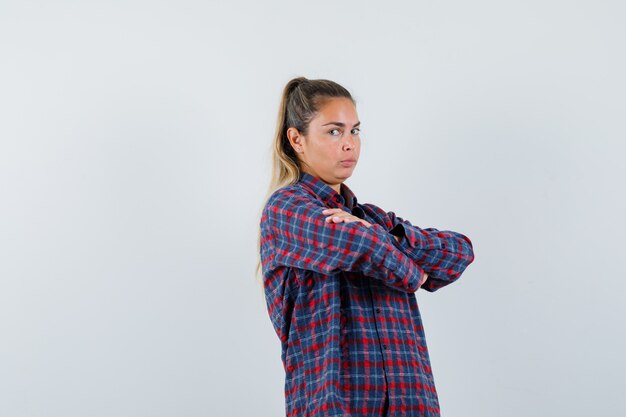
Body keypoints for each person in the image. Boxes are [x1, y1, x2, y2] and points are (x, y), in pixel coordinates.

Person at [256, 76, 475, 417]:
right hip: (337, 407)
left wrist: (379, 234)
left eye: (354, 131)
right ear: (296, 139)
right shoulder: (286, 210)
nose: (349, 144)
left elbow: (458, 252)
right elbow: (358, 246)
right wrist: (416, 276)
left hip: (411, 404)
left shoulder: (369, 217)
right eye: (334, 131)